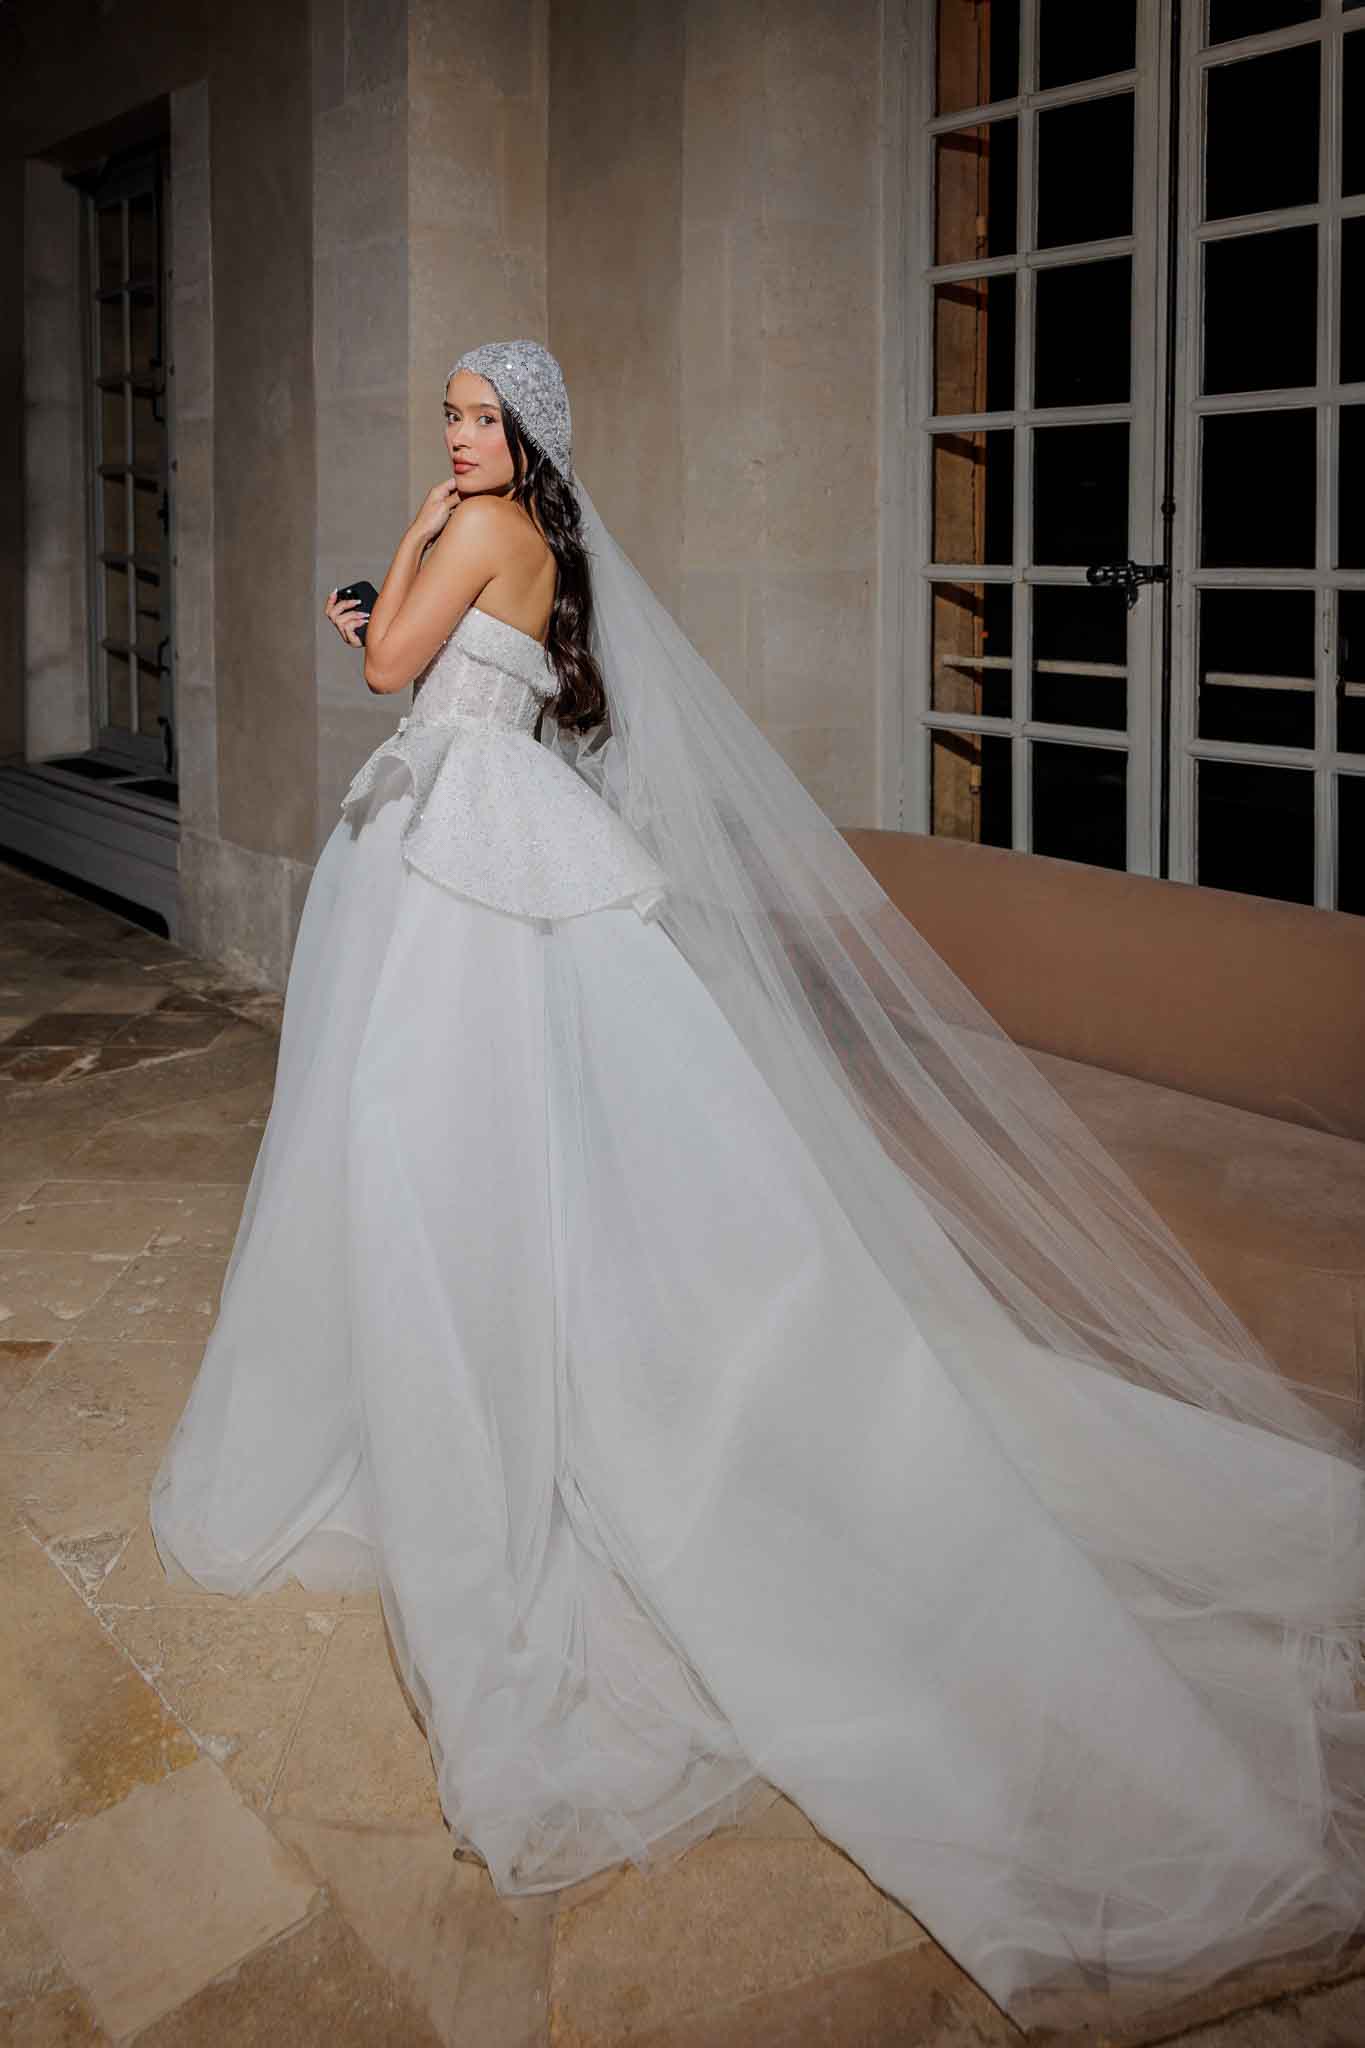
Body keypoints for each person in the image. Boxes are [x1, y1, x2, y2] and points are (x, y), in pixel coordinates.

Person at [151, 340, 1365, 2034]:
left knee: (451, 1122)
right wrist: (406, 594)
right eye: (444, 417)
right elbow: (430, 687)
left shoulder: (493, 536)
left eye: (480, 420)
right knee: (435, 1129)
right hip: (451, 833)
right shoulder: (528, 543)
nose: (456, 439)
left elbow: (392, 680)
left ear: (527, 442)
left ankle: (537, 1359)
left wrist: (404, 549)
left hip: (465, 859)